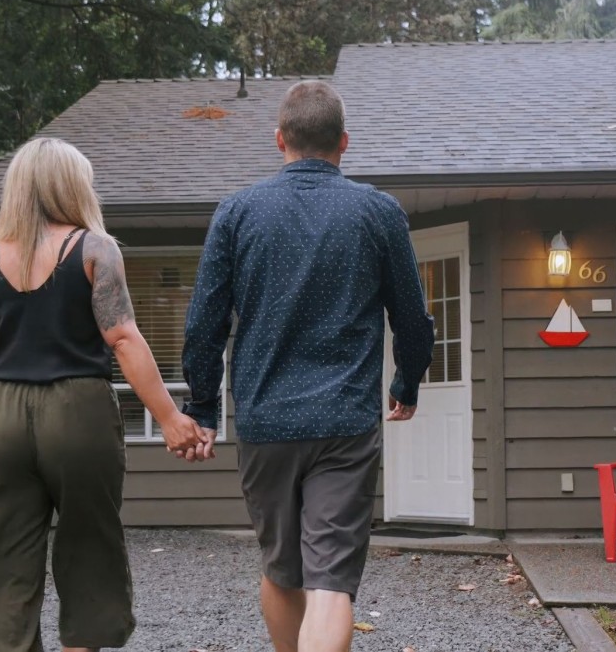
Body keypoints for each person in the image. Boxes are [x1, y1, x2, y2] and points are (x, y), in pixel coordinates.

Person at [182, 81, 435, 652]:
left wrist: (200, 406)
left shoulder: (238, 212)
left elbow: (204, 323)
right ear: (344, 142)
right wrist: (408, 381)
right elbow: (414, 318)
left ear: (280, 140)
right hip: (345, 424)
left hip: (266, 423)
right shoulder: (378, 212)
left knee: (280, 571)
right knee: (330, 586)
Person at [0, 137, 212, 652]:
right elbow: (122, 337)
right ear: (71, 186)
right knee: (89, 542)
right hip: (78, 409)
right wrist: (170, 418)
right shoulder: (95, 248)